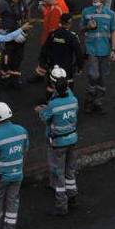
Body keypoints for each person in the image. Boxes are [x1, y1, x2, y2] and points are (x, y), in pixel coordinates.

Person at [36, 66, 79, 216]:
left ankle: (62, 205)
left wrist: (41, 110)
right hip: (72, 139)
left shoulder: (53, 104)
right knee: (70, 170)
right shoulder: (74, 100)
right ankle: (73, 196)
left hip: (58, 143)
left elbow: (45, 117)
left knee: (59, 173)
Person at [80, 0, 115, 114]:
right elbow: (81, 29)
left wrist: (113, 50)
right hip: (92, 50)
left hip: (105, 51)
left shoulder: (110, 14)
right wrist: (88, 27)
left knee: (102, 77)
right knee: (93, 74)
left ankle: (98, 102)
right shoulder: (86, 12)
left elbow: (113, 32)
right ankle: (89, 101)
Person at [35, 11, 84, 92]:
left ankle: (50, 102)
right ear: (70, 23)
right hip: (67, 69)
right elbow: (78, 53)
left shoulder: (53, 34)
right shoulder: (72, 36)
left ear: (60, 21)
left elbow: (44, 49)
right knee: (67, 88)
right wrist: (80, 67)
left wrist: (42, 63)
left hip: (53, 67)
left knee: (51, 87)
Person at [0, 0, 32, 82]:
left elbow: (27, 10)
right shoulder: (5, 4)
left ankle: (14, 77)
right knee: (7, 56)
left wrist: (26, 21)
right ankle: (5, 75)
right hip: (8, 34)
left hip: (19, 33)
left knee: (18, 56)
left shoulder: (22, 1)